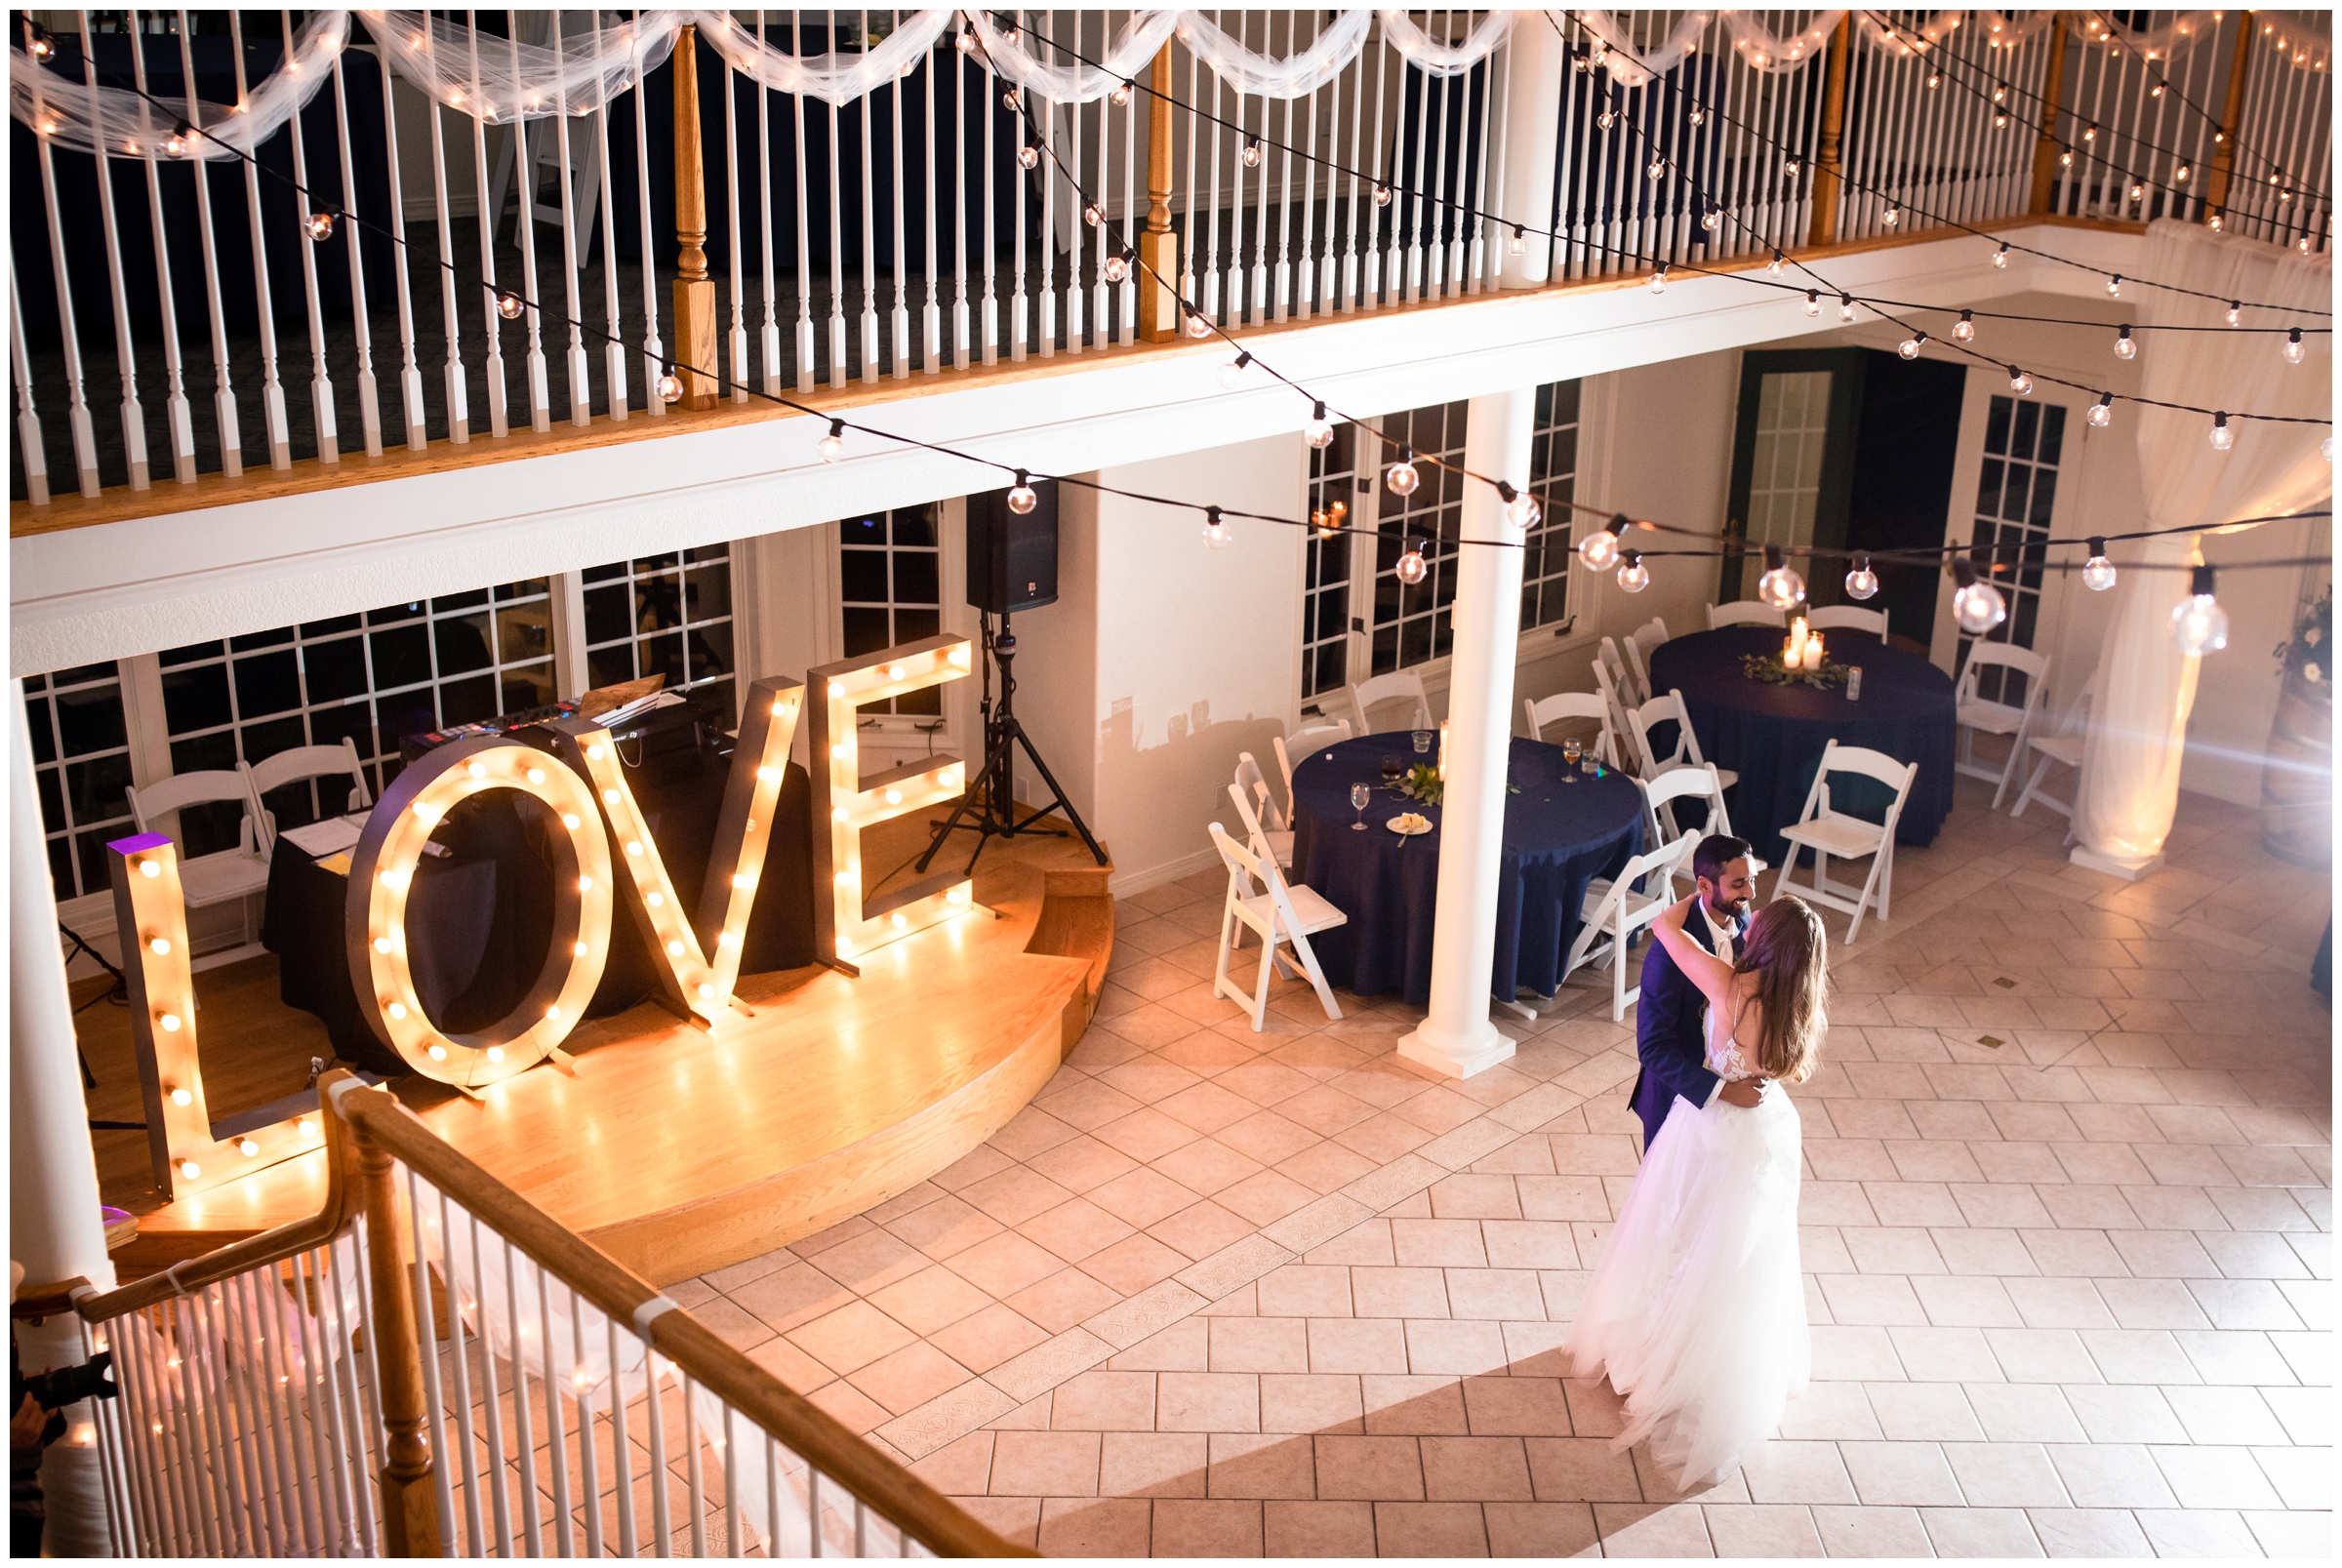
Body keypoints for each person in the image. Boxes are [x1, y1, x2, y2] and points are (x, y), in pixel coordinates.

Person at [1566, 889, 1829, 1490]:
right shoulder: (1797, 1003)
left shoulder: (1732, 987)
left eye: (1761, 918)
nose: (1751, 912)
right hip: (1764, 1131)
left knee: (1678, 1232)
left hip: (1711, 1130)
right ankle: (1719, 1363)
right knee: (1740, 1255)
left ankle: (1666, 1354)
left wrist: (1697, 895)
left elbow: (1663, 928)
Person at [1629, 834, 1761, 1153]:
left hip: (1731, 1090)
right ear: (1704, 885)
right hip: (1680, 1095)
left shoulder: (1745, 920)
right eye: (1739, 883)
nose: (1751, 893)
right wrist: (1724, 1092)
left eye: (1753, 880)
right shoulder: (1669, 950)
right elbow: (1653, 1048)